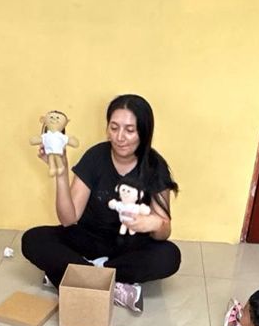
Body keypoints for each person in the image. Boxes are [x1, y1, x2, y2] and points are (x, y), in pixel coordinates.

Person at [20, 93, 182, 313]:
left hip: (128, 247)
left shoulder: (155, 166)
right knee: (33, 239)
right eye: (114, 128)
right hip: (87, 240)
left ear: (144, 132)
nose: (120, 137)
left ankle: (74, 275)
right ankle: (113, 285)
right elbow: (68, 219)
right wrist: (61, 172)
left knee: (169, 256)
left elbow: (164, 232)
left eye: (130, 130)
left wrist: (154, 223)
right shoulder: (95, 157)